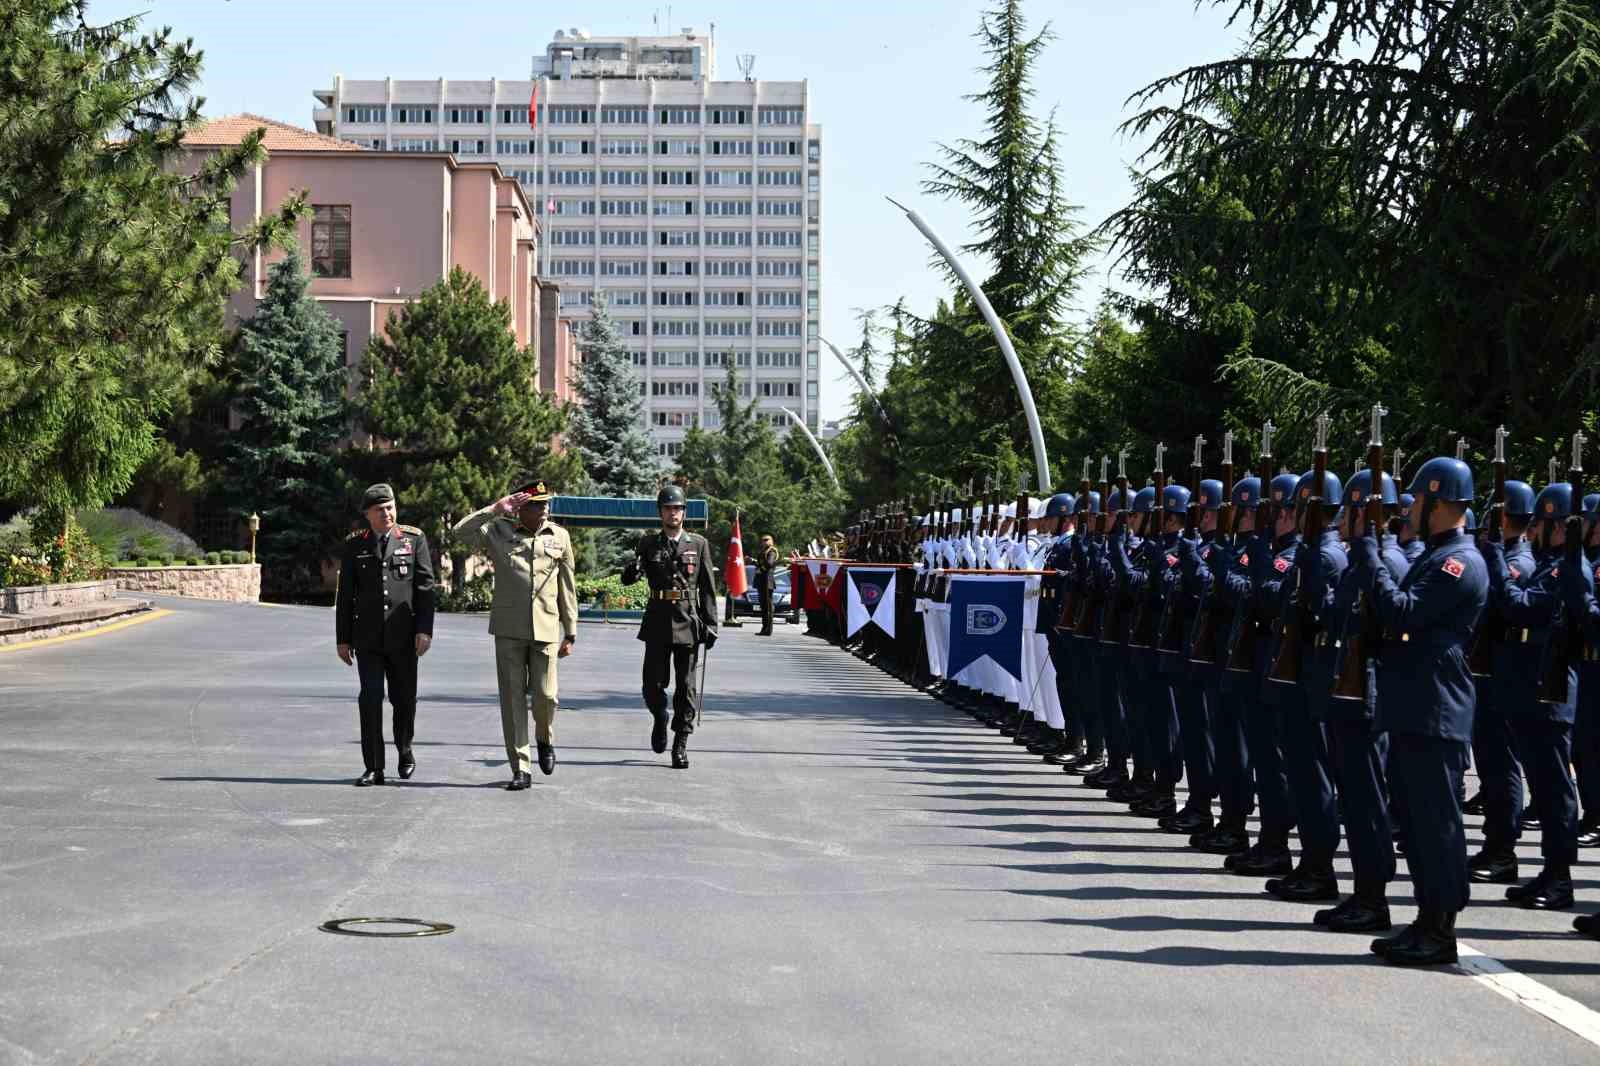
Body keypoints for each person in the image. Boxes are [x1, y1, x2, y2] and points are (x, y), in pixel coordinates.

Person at [1350, 454, 1487, 966]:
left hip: (1434, 707)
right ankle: (1426, 918)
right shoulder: (1434, 555)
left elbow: (1402, 613)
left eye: (1416, 500)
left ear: (1438, 502)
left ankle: (1441, 926)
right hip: (1413, 702)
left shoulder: (1459, 563)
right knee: (1413, 818)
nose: (1407, 510)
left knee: (1436, 824)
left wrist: (1368, 556)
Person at [1482, 479, 1582, 911]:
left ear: (1557, 526)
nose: (1533, 530)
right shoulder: (1551, 563)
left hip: (1550, 688)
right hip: (1530, 685)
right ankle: (1549, 870)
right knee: (1543, 787)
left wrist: (1498, 563)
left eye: (1541, 523)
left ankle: (1560, 877)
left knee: (1555, 790)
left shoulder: (1563, 567)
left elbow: (1520, 605)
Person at [452, 477, 577, 790]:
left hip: (546, 628)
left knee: (546, 696)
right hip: (509, 630)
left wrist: (570, 630)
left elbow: (567, 586)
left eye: (546, 503)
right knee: (512, 700)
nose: (544, 509)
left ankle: (544, 738)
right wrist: (495, 509)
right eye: (537, 505)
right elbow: (460, 532)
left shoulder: (559, 536)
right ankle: (521, 767)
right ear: (521, 508)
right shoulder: (499, 530)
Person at [335, 483, 435, 787]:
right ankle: (374, 766)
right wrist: (343, 638)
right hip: (367, 638)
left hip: (404, 636)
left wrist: (424, 629)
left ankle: (405, 749)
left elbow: (425, 588)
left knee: (404, 699)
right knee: (370, 699)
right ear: (368, 514)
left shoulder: (414, 540)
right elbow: (346, 595)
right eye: (380, 509)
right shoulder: (355, 544)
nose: (387, 513)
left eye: (390, 507)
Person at [623, 484, 720, 769]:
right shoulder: (648, 543)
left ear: (683, 512)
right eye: (667, 508)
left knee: (686, 688)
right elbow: (629, 578)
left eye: (677, 508)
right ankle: (660, 717)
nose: (672, 513)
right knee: (651, 685)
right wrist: (631, 571)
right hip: (657, 620)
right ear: (660, 512)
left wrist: (711, 623)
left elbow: (708, 588)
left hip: (688, 620)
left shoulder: (698, 544)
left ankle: (680, 743)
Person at [755, 533, 780, 636]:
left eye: (767, 540)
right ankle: (764, 628)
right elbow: (760, 563)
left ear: (771, 541)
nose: (764, 542)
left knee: (768, 607)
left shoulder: (772, 551)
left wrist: (761, 569)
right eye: (763, 540)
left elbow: (769, 564)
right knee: (763, 607)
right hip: (761, 580)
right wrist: (752, 561)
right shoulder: (763, 552)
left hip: (767, 581)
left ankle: (768, 629)